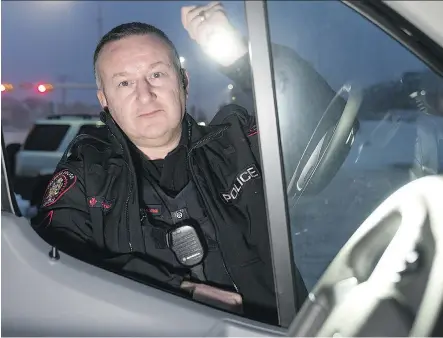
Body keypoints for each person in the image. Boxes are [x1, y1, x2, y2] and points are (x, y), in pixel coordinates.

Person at [32, 1, 345, 325]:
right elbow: (54, 266)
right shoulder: (87, 175)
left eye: (157, 74)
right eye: (124, 82)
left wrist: (240, 56)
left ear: (183, 81)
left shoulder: (238, 144)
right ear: (105, 100)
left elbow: (324, 124)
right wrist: (179, 292)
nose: (145, 93)